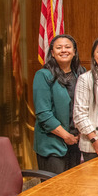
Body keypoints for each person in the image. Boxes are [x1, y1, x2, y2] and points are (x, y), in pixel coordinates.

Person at [33, 34, 85, 174]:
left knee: (75, 189)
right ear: (52, 53)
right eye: (59, 47)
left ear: (74, 52)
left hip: (77, 142)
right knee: (55, 192)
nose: (64, 50)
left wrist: (80, 133)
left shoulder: (81, 74)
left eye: (68, 47)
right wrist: (66, 136)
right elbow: (43, 113)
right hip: (52, 144)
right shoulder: (43, 75)